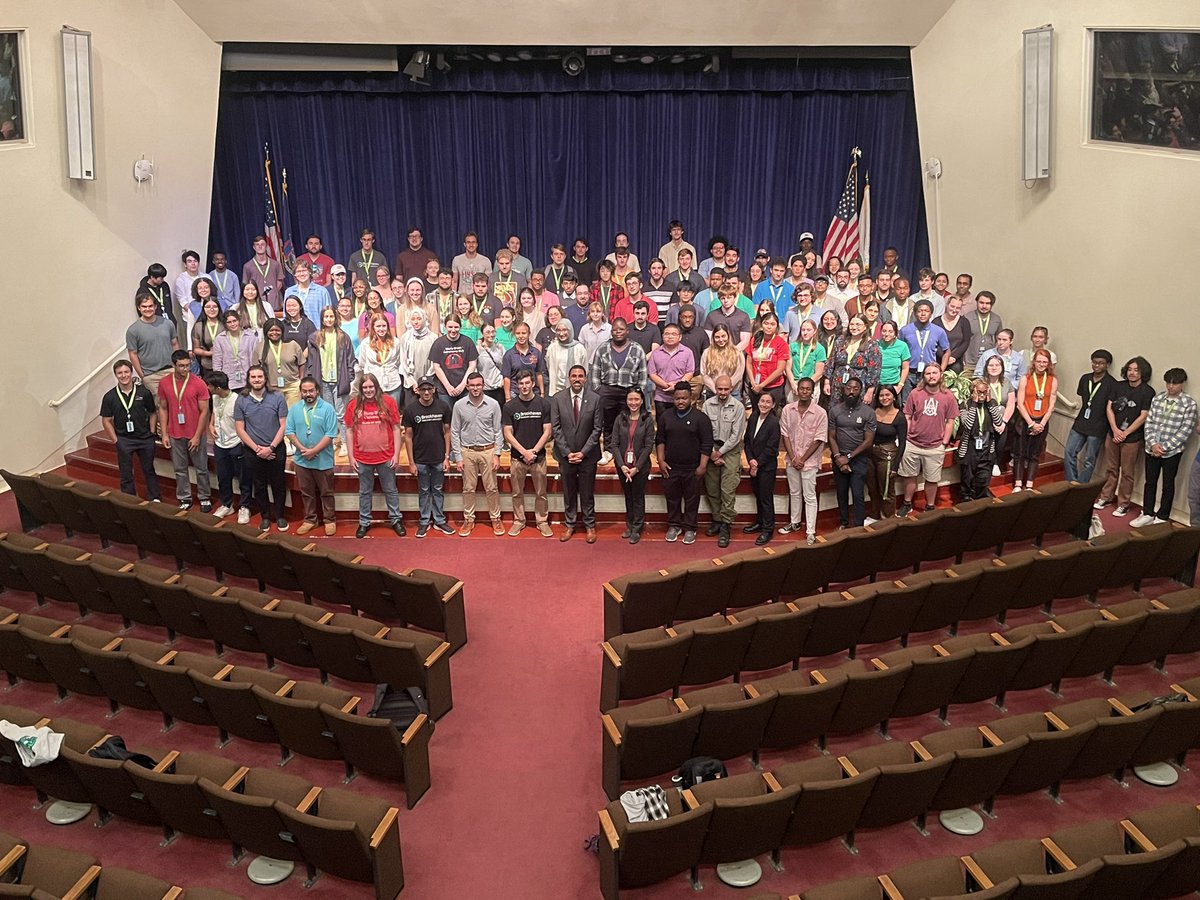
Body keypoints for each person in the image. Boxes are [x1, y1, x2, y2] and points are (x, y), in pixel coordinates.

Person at [1131, 368, 1197, 527]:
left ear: (1182, 384)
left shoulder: (1189, 404)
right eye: (1168, 383)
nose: (1171, 387)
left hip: (1172, 451)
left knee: (1168, 483)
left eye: (1175, 383)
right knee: (1150, 481)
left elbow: (1185, 431)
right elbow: (1150, 423)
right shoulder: (1158, 398)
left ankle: (1162, 515)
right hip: (1152, 448)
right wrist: (1153, 444)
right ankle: (1147, 513)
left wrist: (1164, 447)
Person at [344, 372, 406, 538]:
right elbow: (349, 431)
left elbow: (395, 428)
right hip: (362, 458)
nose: (368, 390)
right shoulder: (353, 405)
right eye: (365, 387)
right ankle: (364, 522)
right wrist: (351, 456)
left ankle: (395, 519)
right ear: (360, 389)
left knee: (391, 490)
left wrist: (396, 454)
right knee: (364, 492)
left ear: (376, 387)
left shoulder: (388, 402)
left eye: (371, 386)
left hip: (386, 457)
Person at [1095, 356, 1155, 517]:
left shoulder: (1147, 391)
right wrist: (1115, 430)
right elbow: (1109, 408)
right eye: (1129, 369)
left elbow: (1144, 416)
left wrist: (1125, 433)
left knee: (1127, 472)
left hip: (1132, 438)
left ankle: (1123, 504)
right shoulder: (1118, 386)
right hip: (1113, 434)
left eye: (1136, 370)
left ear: (1143, 373)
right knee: (1111, 468)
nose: (1132, 373)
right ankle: (1106, 497)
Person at [898, 363, 960, 516]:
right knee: (909, 476)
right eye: (928, 373)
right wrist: (906, 436)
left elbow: (950, 421)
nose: (931, 376)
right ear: (924, 376)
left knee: (932, 479)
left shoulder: (948, 396)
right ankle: (907, 503)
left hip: (935, 446)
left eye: (934, 373)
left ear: (940, 375)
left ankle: (930, 506)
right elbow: (907, 416)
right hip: (913, 443)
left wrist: (944, 443)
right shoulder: (915, 393)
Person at [656, 381, 714, 544]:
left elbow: (707, 443)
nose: (680, 401)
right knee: (672, 498)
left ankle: (690, 527)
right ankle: (674, 525)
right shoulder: (665, 417)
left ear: (691, 398)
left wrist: (703, 465)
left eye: (684, 398)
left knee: (691, 499)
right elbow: (660, 439)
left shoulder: (701, 418)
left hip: (693, 468)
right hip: (670, 467)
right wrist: (660, 460)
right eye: (677, 398)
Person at [234, 364, 289, 531]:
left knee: (278, 484)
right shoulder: (241, 400)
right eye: (253, 377)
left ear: (265, 378)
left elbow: (283, 425)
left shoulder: (277, 397)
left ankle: (280, 516)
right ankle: (265, 516)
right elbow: (239, 429)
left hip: (275, 449)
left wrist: (270, 448)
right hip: (253, 451)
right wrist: (258, 450)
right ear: (248, 380)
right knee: (259, 485)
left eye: (260, 377)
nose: (257, 380)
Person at [551, 365, 602, 542]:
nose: (577, 379)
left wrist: (582, 452)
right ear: (568, 378)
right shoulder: (557, 399)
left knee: (587, 493)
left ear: (586, 378)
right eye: (574, 376)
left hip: (588, 456)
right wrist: (567, 452)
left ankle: (589, 525)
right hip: (565, 456)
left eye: (581, 376)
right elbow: (556, 428)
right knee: (569, 492)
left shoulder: (595, 399)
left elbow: (597, 429)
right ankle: (570, 524)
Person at [450, 372, 506, 536]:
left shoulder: (493, 404)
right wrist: (458, 457)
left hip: (488, 451)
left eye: (478, 385)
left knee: (492, 488)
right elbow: (454, 432)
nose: (475, 388)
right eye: (472, 385)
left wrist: (497, 453)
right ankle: (469, 519)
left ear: (483, 386)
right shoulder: (459, 406)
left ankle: (495, 519)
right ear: (467, 387)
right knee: (468, 488)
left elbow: (498, 431)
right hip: (467, 451)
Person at [156, 350, 211, 511]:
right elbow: (163, 408)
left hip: (196, 433)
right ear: (173, 365)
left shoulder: (198, 383)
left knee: (201, 468)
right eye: (181, 366)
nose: (185, 369)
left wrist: (196, 436)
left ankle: (204, 497)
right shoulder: (165, 383)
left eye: (188, 365)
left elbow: (205, 412)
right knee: (180, 469)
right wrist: (165, 433)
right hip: (175, 433)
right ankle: (184, 497)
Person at [588, 317, 647, 465]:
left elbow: (643, 373)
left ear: (627, 331)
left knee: (626, 422)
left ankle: (625, 450)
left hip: (629, 391)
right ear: (611, 331)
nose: (618, 332)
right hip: (607, 390)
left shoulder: (637, 348)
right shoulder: (602, 348)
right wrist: (598, 390)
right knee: (607, 423)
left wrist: (638, 392)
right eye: (615, 330)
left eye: (621, 329)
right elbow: (594, 371)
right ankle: (608, 451)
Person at [100, 358, 161, 502]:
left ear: (131, 372)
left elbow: (153, 413)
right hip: (124, 440)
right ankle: (129, 501)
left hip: (145, 438)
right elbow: (106, 420)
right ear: (116, 375)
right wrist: (115, 440)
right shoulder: (110, 397)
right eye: (119, 373)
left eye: (126, 372)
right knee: (126, 473)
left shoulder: (143, 392)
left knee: (149, 470)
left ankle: (155, 498)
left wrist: (152, 433)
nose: (123, 375)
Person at [285, 376, 339, 536]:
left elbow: (330, 434)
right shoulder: (295, 409)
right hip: (302, 460)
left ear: (317, 391)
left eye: (311, 391)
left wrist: (313, 451)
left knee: (327, 492)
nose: (308, 394)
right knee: (306, 492)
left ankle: (330, 520)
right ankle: (310, 520)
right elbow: (289, 431)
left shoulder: (327, 409)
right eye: (305, 391)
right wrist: (303, 450)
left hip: (323, 460)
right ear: (300, 392)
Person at [502, 370, 554, 537]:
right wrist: (524, 452)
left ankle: (542, 521)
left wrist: (534, 451)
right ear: (517, 385)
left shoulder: (544, 404)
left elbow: (547, 431)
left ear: (533, 383)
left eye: (527, 383)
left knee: (541, 492)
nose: (524, 386)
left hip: (538, 458)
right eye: (521, 384)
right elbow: (507, 433)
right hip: (518, 458)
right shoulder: (509, 406)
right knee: (517, 492)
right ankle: (519, 521)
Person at [403, 377, 455, 538]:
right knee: (424, 490)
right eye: (423, 389)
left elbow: (447, 433)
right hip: (420, 459)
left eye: (429, 389)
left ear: (434, 390)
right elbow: (408, 437)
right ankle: (424, 521)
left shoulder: (443, 407)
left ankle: (439, 520)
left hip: (439, 457)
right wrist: (411, 462)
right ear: (417, 390)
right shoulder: (410, 410)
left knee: (438, 490)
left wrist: (447, 456)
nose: (426, 392)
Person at [702, 375, 747, 548]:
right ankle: (717, 520)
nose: (722, 392)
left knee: (727, 489)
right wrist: (713, 452)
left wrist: (720, 453)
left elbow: (736, 436)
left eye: (725, 389)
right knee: (712, 488)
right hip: (711, 449)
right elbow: (704, 430)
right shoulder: (707, 405)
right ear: (715, 388)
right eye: (719, 389)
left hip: (730, 451)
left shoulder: (738, 407)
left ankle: (726, 526)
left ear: (731, 388)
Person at [827, 376, 876, 529]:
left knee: (857, 494)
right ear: (843, 389)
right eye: (849, 388)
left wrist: (848, 458)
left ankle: (858, 526)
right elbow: (831, 436)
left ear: (860, 391)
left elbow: (868, 441)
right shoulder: (835, 410)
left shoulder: (868, 412)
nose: (851, 392)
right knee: (841, 494)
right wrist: (838, 458)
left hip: (858, 459)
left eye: (855, 389)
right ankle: (843, 522)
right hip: (838, 457)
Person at [306, 306, 355, 456]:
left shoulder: (343, 336)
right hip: (323, 381)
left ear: (336, 318)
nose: (329, 319)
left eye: (331, 316)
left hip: (340, 381)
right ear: (322, 319)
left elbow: (350, 359)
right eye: (326, 317)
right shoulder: (315, 338)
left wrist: (350, 378)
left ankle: (346, 444)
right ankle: (333, 441)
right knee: (329, 413)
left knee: (341, 414)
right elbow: (311, 361)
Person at [206, 370, 253, 522]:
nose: (208, 388)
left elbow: (245, 424)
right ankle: (227, 504)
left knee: (243, 477)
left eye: (210, 386)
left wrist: (242, 441)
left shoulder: (238, 401)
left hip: (236, 444)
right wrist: (211, 425)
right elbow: (215, 413)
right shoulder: (215, 397)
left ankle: (245, 507)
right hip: (220, 444)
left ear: (218, 387)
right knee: (223, 477)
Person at [1064, 349, 1117, 483]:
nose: (1097, 366)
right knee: (1069, 452)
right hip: (1081, 422)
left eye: (1101, 363)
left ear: (1107, 365)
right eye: (1094, 362)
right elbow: (1084, 397)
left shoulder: (1112, 383)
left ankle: (1082, 485)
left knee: (1089, 459)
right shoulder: (1085, 378)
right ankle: (1072, 482)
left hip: (1098, 425)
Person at [612, 388, 655, 544]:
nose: (633, 403)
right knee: (628, 496)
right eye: (630, 399)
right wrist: (622, 465)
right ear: (626, 401)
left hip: (640, 467)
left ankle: (637, 528)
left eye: (637, 399)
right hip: (623, 466)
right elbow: (614, 444)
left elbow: (648, 446)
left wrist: (636, 468)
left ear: (642, 400)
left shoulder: (648, 419)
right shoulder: (620, 418)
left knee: (637, 496)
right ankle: (629, 525)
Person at [1012, 349, 1057, 491]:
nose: (1041, 364)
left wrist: (1041, 424)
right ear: (1034, 362)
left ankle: (1029, 484)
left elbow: (1051, 405)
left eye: (1044, 362)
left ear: (1049, 363)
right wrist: (1031, 424)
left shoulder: (1052, 380)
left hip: (1042, 421)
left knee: (1034, 455)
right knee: (1020, 453)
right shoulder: (1026, 378)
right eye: (1039, 361)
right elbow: (1020, 403)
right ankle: (1018, 484)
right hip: (1025, 420)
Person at [956, 378, 1006, 501]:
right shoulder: (965, 404)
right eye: (979, 392)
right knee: (967, 478)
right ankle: (966, 497)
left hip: (986, 448)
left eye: (985, 392)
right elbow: (967, 425)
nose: (982, 395)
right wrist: (974, 403)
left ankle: (981, 497)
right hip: (969, 448)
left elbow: (999, 422)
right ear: (972, 392)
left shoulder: (991, 403)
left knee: (983, 478)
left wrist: (989, 403)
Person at [744, 391, 781, 545]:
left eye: (768, 402)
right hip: (754, 464)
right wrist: (751, 459)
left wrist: (757, 463)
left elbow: (772, 449)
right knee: (758, 495)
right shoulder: (753, 417)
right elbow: (747, 441)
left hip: (766, 467)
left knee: (766, 498)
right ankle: (759, 522)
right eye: (762, 401)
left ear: (772, 405)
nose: (764, 404)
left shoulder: (773, 423)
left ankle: (767, 529)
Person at [127, 293, 179, 397]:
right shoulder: (133, 330)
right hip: (151, 375)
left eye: (150, 306)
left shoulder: (168, 323)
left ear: (155, 307)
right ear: (139, 308)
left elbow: (175, 344)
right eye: (144, 306)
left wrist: (177, 365)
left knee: (178, 403)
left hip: (171, 370)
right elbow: (133, 354)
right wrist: (142, 375)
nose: (147, 309)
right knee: (159, 407)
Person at [868, 384, 907, 518]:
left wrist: (895, 467)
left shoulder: (899, 417)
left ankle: (888, 520)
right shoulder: (872, 412)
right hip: (870, 453)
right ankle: (874, 516)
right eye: (881, 395)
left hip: (888, 454)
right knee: (872, 488)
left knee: (886, 490)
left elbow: (902, 443)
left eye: (887, 395)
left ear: (894, 397)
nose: (884, 398)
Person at [898, 299, 950, 400]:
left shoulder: (939, 331)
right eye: (919, 311)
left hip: (928, 374)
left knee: (926, 401)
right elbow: (899, 350)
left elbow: (946, 351)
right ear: (915, 313)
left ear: (931, 314)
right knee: (907, 402)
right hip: (909, 372)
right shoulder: (905, 330)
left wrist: (941, 370)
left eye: (926, 311)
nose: (923, 314)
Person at [828, 314, 882, 407]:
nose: (854, 327)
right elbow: (831, 361)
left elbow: (875, 371)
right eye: (852, 324)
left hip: (859, 388)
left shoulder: (872, 345)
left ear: (865, 327)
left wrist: (870, 392)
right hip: (838, 386)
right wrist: (826, 382)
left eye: (858, 324)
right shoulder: (840, 341)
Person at [428, 315, 478, 408]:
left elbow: (472, 365)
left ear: (460, 327)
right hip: (444, 390)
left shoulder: (468, 342)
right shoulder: (438, 343)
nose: (453, 330)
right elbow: (436, 367)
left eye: (456, 327)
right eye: (450, 327)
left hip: (464, 389)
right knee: (448, 419)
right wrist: (448, 386)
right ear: (445, 327)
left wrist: (463, 385)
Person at [648, 324, 696, 417]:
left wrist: (676, 386)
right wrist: (666, 386)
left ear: (680, 337)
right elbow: (652, 374)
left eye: (673, 334)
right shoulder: (656, 353)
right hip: (661, 397)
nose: (670, 337)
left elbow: (690, 372)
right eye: (667, 334)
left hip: (681, 396)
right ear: (662, 336)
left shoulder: (687, 352)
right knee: (662, 424)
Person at [358, 313, 405, 409]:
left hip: (393, 384)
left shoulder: (396, 342)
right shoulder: (365, 343)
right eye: (378, 326)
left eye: (384, 326)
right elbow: (362, 363)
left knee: (393, 414)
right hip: (373, 386)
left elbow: (399, 361)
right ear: (373, 327)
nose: (381, 329)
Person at [746, 312, 789, 407]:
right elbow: (749, 363)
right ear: (761, 324)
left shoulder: (781, 343)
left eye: (772, 324)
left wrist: (762, 385)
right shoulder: (754, 339)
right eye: (766, 323)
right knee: (756, 413)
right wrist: (753, 382)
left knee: (771, 415)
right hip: (754, 385)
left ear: (777, 327)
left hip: (773, 387)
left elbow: (780, 370)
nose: (769, 327)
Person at [259, 319, 303, 411]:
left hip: (292, 386)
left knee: (293, 413)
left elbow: (301, 363)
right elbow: (256, 367)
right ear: (266, 331)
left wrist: (301, 380)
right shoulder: (260, 347)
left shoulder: (292, 344)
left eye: (277, 330)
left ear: (282, 331)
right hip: (272, 387)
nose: (274, 333)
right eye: (271, 330)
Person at [212, 308, 257, 391]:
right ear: (225, 324)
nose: (232, 324)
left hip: (247, 378)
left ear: (239, 321)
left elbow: (254, 359)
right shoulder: (220, 339)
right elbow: (217, 362)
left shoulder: (250, 337)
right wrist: (219, 380)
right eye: (229, 322)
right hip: (229, 380)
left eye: (234, 321)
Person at [787, 318, 828, 403]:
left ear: (814, 331)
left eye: (809, 330)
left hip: (811, 384)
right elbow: (787, 367)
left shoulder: (819, 349)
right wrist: (792, 383)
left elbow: (819, 373)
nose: (805, 333)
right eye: (803, 330)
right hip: (793, 384)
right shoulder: (792, 346)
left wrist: (806, 386)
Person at [700, 323, 746, 400]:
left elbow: (738, 374)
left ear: (728, 336)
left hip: (732, 393)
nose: (721, 340)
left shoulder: (737, 352)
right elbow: (704, 374)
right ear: (713, 338)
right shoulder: (707, 352)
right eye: (717, 337)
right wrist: (717, 391)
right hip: (712, 393)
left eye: (723, 336)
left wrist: (725, 390)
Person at [400, 307, 437, 402]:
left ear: (424, 319)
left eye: (419, 319)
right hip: (411, 383)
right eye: (413, 319)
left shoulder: (433, 338)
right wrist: (413, 383)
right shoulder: (405, 338)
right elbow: (403, 361)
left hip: (428, 382)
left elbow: (434, 363)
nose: (416, 322)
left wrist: (425, 382)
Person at [241, 235, 285, 312]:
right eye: (257, 245)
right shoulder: (247, 266)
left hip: (275, 303)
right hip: (257, 303)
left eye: (262, 244)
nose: (260, 247)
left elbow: (280, 282)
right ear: (254, 247)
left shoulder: (276, 264)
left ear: (266, 246)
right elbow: (246, 284)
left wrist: (273, 292)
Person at [546, 318, 588, 396]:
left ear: (570, 330)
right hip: (558, 390)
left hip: (576, 390)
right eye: (558, 330)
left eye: (565, 330)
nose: (561, 334)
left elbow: (585, 369)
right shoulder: (552, 348)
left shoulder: (579, 348)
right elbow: (549, 368)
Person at [501, 322, 544, 398]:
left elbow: (539, 374)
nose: (521, 336)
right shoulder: (509, 355)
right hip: (515, 392)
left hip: (533, 392)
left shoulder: (536, 353)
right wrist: (507, 397)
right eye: (518, 333)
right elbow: (506, 378)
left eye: (524, 333)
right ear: (514, 334)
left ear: (529, 334)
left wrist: (542, 393)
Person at [963, 290, 1002, 372]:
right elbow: (961, 340)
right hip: (969, 363)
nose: (984, 306)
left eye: (987, 303)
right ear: (976, 302)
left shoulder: (996, 320)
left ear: (992, 304)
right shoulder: (967, 318)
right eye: (981, 302)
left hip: (988, 364)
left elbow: (1000, 341)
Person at [934, 295, 972, 374]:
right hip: (938, 360)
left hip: (956, 361)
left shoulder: (964, 322)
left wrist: (953, 357)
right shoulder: (936, 322)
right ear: (947, 305)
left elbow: (966, 342)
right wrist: (944, 357)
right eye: (952, 306)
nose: (954, 310)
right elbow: (933, 343)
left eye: (958, 308)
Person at [876, 320, 911, 397]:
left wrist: (900, 386)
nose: (887, 334)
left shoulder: (902, 346)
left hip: (893, 385)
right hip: (877, 385)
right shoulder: (876, 345)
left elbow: (905, 368)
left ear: (895, 333)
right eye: (884, 331)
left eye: (890, 331)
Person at [190, 293, 223, 374]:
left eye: (215, 307)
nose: (212, 309)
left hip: (225, 363)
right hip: (207, 365)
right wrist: (209, 353)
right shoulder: (198, 326)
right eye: (208, 307)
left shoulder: (225, 324)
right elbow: (196, 349)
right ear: (203, 309)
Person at [475, 323, 505, 407]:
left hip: (499, 387)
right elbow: (475, 368)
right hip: (485, 388)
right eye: (487, 332)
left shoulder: (500, 348)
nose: (491, 335)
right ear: (482, 334)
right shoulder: (478, 349)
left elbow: (505, 365)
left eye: (493, 332)